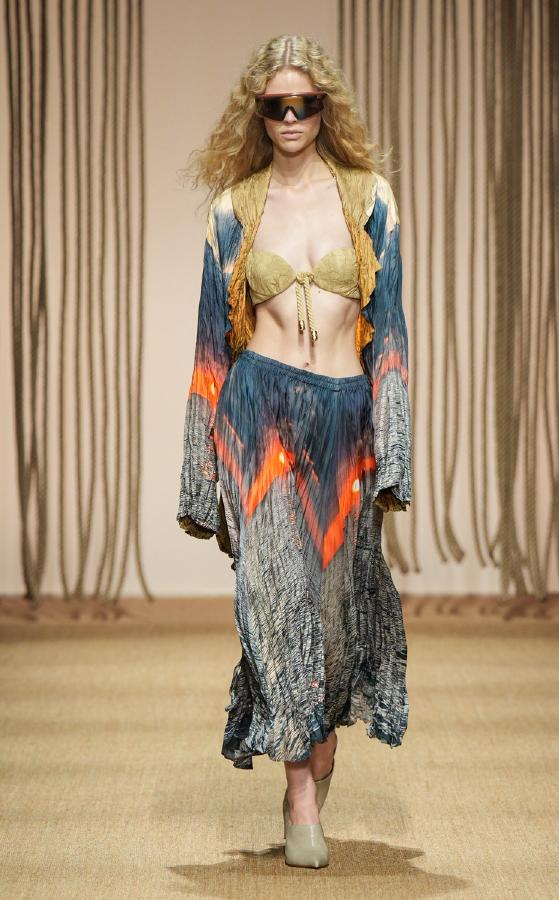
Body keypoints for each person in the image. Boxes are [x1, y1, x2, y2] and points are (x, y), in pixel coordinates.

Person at [176, 34, 412, 869]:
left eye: (302, 104)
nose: (288, 117)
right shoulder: (235, 209)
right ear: (257, 112)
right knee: (274, 599)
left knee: (337, 616)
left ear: (323, 109)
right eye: (274, 105)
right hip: (262, 418)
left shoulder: (369, 199)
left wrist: (395, 447)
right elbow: (211, 346)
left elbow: (391, 333)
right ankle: (301, 795)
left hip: (345, 423)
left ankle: (315, 748)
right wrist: (199, 472)